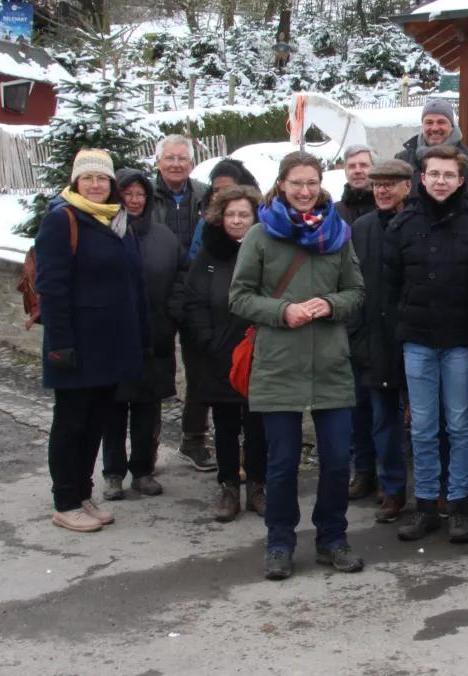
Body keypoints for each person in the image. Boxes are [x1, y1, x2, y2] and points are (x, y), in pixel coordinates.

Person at [229, 151, 365, 580]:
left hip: (329, 363)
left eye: (312, 183)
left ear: (321, 184)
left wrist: (330, 303)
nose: (305, 192)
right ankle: (279, 543)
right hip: (278, 363)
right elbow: (239, 297)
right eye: (296, 183)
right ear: (282, 185)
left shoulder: (338, 234)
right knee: (282, 462)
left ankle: (332, 538)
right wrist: (282, 311)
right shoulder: (260, 236)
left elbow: (357, 293)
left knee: (338, 460)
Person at [385, 145, 468, 543]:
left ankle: (459, 504)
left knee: (461, 425)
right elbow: (390, 284)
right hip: (417, 340)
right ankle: (427, 504)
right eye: (434, 174)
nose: (441, 181)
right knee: (424, 427)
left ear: (461, 179)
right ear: (422, 177)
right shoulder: (402, 226)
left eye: (449, 175)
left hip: (461, 342)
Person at [37, 148, 149, 532]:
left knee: (95, 421)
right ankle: (65, 500)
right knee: (70, 422)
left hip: (111, 346)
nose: (97, 184)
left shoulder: (118, 222)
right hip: (76, 345)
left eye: (103, 178)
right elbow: (51, 287)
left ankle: (83, 493)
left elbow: (134, 284)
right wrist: (60, 343)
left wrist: (140, 335)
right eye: (89, 178)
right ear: (76, 182)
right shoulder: (62, 220)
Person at [100, 169, 187, 501]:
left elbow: (184, 274)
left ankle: (143, 470)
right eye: (128, 194)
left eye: (141, 195)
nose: (134, 200)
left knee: (147, 409)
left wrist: (173, 314)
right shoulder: (105, 232)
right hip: (114, 338)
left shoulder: (164, 237)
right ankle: (112, 473)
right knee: (113, 410)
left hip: (156, 335)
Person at [184, 185, 269, 522]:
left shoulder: (266, 249)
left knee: (258, 424)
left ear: (255, 217)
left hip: (258, 352)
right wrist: (208, 339)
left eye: (244, 214)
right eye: (231, 214)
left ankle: (258, 486)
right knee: (225, 425)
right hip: (218, 354)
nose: (237, 220)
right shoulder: (208, 255)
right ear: (221, 217)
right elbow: (193, 301)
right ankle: (229, 486)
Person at [347, 159, 414, 524]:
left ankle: (406, 488)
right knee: (371, 416)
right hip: (367, 332)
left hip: (407, 335)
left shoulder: (417, 224)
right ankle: (378, 480)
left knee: (403, 419)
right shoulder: (361, 227)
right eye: (377, 185)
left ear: (407, 186)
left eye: (390, 184)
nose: (382, 191)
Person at [151, 135, 215, 471]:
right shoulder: (143, 195)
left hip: (195, 293)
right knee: (151, 370)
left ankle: (193, 440)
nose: (176, 164)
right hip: (157, 293)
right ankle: (147, 445)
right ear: (158, 161)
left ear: (191, 164)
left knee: (200, 370)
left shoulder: (206, 194)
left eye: (182, 158)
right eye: (170, 158)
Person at [396, 99, 468, 201]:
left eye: (441, 122)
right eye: (429, 122)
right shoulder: (403, 160)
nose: (435, 128)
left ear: (452, 126)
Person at [187, 158, 261, 261]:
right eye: (216, 190)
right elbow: (194, 260)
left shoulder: (262, 223)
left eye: (227, 189)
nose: (221, 195)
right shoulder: (206, 223)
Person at [336, 145, 380, 224]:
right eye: (352, 166)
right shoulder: (334, 213)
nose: (357, 171)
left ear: (375, 169)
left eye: (363, 165)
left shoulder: (389, 208)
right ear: (345, 171)